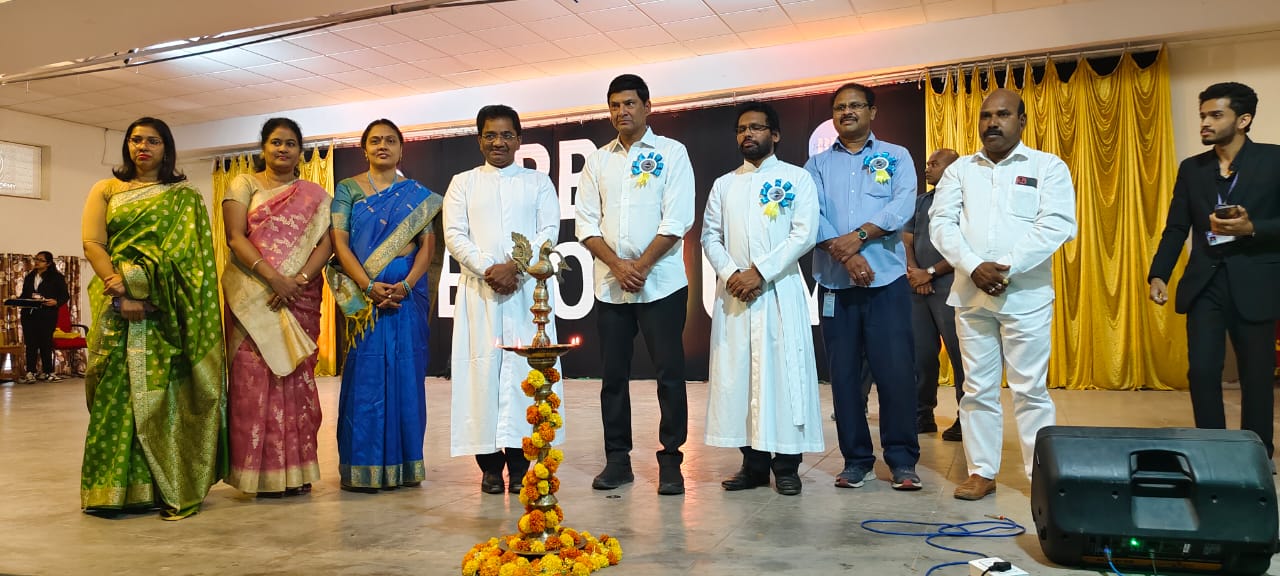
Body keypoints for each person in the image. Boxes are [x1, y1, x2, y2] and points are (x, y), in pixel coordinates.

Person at [930, 89, 1077, 500]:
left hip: (1025, 297)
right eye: (986, 115)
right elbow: (941, 224)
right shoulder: (960, 171)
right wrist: (973, 265)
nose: (992, 122)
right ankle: (981, 471)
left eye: (1003, 114)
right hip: (971, 295)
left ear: (1022, 120)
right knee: (976, 388)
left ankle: (1040, 475)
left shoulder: (1047, 166)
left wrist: (1005, 266)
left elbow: (1057, 224)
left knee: (1030, 389)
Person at [79, 117, 225, 519]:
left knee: (164, 398)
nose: (142, 147)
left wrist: (149, 291)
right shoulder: (107, 189)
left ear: (167, 148)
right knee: (113, 394)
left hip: (166, 313)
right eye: (136, 140)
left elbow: (190, 260)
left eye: (153, 141)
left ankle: (163, 484)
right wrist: (120, 287)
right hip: (115, 305)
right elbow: (92, 242)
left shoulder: (184, 197)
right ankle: (111, 491)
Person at [575, 73, 695, 495]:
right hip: (611, 287)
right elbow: (585, 223)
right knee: (612, 377)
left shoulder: (672, 153)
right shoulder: (598, 160)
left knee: (669, 374)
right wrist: (617, 266)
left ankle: (671, 460)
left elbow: (677, 219)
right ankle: (617, 460)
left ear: (647, 107)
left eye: (629, 103)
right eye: (614, 105)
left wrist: (640, 266)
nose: (621, 111)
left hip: (661, 284)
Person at [1149, 82, 1280, 459]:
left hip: (1256, 280)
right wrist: (1159, 273)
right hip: (1205, 283)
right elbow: (1177, 227)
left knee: (1256, 376)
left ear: (1243, 120)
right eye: (1202, 115)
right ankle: (1213, 452)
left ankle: (1257, 454)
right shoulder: (1192, 168)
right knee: (1203, 372)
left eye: (1215, 115)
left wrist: (1252, 228)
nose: (1205, 122)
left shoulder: (1274, 160)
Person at [702, 102, 824, 496]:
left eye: (756, 127)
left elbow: (804, 234)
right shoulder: (724, 184)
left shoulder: (797, 178)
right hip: (736, 295)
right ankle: (752, 465)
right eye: (742, 129)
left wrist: (760, 271)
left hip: (779, 291)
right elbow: (710, 236)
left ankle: (787, 466)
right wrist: (732, 274)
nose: (747, 134)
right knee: (739, 378)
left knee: (785, 377)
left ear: (775, 134)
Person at [806, 82, 921, 491]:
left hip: (886, 281)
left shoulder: (897, 156)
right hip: (836, 285)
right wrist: (847, 256)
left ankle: (902, 460)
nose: (847, 112)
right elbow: (811, 215)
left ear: (873, 111)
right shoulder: (816, 165)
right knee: (844, 378)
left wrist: (859, 237)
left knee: (895, 374)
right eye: (840, 107)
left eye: (855, 105)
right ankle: (856, 460)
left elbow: (902, 205)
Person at [444, 105, 562, 495]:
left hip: (527, 294)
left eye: (507, 135)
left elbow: (549, 230)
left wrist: (516, 267)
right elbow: (454, 235)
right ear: (479, 139)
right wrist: (489, 270)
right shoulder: (462, 183)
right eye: (490, 135)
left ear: (519, 140)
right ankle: (490, 468)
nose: (499, 142)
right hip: (480, 293)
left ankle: (522, 461)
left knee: (523, 374)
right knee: (481, 376)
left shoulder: (538, 182)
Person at [328, 119, 441, 492]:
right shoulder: (347, 190)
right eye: (375, 140)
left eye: (390, 140)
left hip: (406, 299)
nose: (382, 146)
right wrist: (368, 286)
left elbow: (428, 245)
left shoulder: (417, 194)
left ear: (401, 148)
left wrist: (407, 285)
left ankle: (406, 466)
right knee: (366, 378)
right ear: (364, 149)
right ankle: (363, 467)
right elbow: (339, 242)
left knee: (407, 376)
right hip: (365, 302)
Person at [222, 118, 332, 497]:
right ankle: (257, 476)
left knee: (296, 384)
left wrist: (297, 280)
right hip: (252, 296)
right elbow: (235, 237)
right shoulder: (244, 185)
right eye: (275, 142)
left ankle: (297, 472)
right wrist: (273, 279)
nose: (282, 149)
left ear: (300, 152)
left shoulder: (316, 196)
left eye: (290, 143)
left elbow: (327, 244)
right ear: (263, 148)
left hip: (298, 298)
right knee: (251, 384)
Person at [904, 149, 965, 440]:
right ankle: (922, 414)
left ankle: (967, 418)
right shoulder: (921, 201)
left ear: (952, 169)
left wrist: (930, 272)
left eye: (934, 164)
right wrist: (915, 272)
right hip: (918, 288)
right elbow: (907, 239)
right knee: (922, 354)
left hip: (951, 286)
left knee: (960, 354)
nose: (927, 168)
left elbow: (966, 245)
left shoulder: (966, 201)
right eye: (927, 163)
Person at [17, 251, 68, 383]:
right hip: (29, 315)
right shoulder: (29, 276)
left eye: (41, 260)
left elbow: (64, 296)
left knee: (46, 343)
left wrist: (56, 302)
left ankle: (48, 372)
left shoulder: (56, 277)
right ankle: (31, 372)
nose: (37, 262)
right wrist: (17, 301)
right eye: (36, 259)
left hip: (47, 315)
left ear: (48, 263)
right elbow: (25, 295)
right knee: (31, 344)